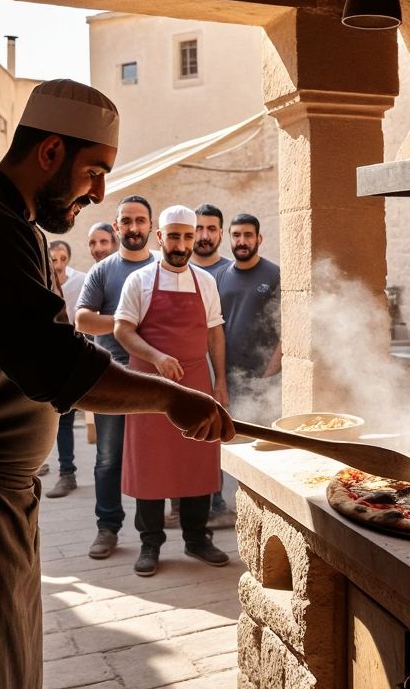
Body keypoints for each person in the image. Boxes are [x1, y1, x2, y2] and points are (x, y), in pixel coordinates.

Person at [0, 79, 232, 689]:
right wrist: (166, 396)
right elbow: (54, 363)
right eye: (94, 172)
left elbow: (46, 344)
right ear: (50, 152)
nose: (100, 192)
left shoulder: (12, 221)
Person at [114, 204, 229, 577]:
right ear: (160, 237)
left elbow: (215, 332)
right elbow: (122, 330)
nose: (181, 244)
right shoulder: (139, 282)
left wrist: (220, 384)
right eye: (174, 236)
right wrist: (157, 356)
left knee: (198, 459)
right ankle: (150, 544)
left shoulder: (206, 282)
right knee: (150, 463)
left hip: (196, 384)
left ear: (195, 238)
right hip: (148, 388)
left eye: (188, 236)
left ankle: (197, 538)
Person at [74, 196, 156, 559]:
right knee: (108, 458)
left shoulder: (164, 269)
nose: (133, 227)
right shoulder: (103, 271)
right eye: (127, 221)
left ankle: (151, 535)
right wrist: (126, 325)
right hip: (111, 375)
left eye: (140, 221)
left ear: (151, 227)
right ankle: (107, 528)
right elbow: (82, 320)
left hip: (154, 377)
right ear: (116, 225)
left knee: (152, 456)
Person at [216, 213, 283, 417]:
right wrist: (220, 378)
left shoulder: (275, 274)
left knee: (268, 442)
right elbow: (215, 329)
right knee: (234, 441)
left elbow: (287, 330)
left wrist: (269, 376)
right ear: (229, 238)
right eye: (236, 235)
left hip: (267, 380)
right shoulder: (220, 275)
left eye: (248, 235)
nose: (242, 241)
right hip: (230, 380)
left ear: (259, 239)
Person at [42, 239, 87, 496]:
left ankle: (67, 472)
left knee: (67, 419)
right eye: (53, 259)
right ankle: (50, 467)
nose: (57, 264)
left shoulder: (79, 282)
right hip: (45, 360)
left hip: (71, 359)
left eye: (61, 259)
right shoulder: (38, 281)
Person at [192, 202, 232, 276]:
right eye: (199, 229)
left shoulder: (234, 272)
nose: (205, 236)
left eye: (212, 229)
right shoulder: (177, 269)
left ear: (221, 233)